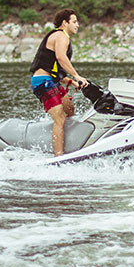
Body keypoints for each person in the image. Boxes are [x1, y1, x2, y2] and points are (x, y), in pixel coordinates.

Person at [29, 9, 89, 156]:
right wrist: (77, 76)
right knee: (60, 118)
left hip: (50, 81)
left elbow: (53, 68)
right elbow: (61, 58)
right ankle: (58, 156)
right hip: (43, 82)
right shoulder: (61, 36)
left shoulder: (59, 36)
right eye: (74, 22)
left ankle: (70, 144)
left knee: (69, 110)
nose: (77, 25)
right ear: (65, 23)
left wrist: (71, 82)